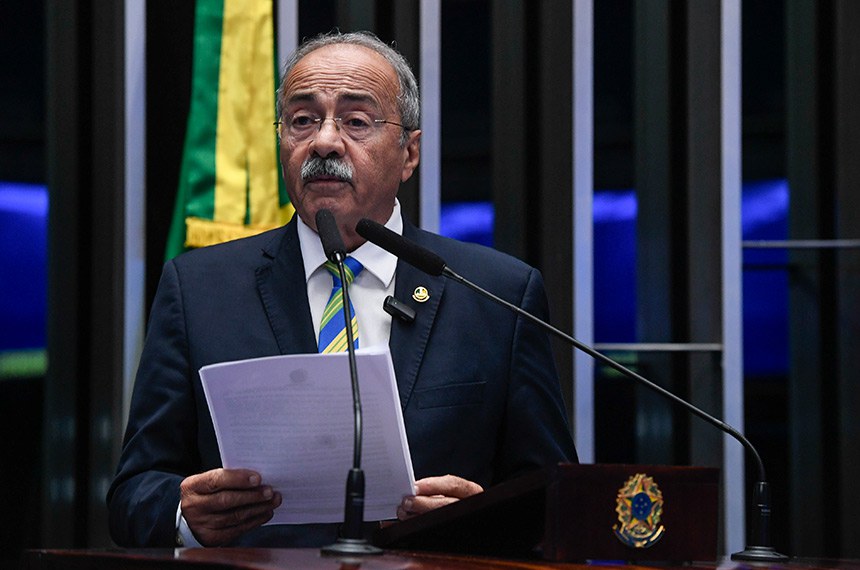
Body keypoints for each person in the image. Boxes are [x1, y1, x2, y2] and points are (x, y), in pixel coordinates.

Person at [107, 30, 576, 548]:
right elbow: (133, 495)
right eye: (303, 120)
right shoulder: (199, 291)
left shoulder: (496, 294)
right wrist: (185, 514)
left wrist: (482, 518)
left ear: (409, 153)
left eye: (356, 121)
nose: (325, 141)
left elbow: (559, 502)